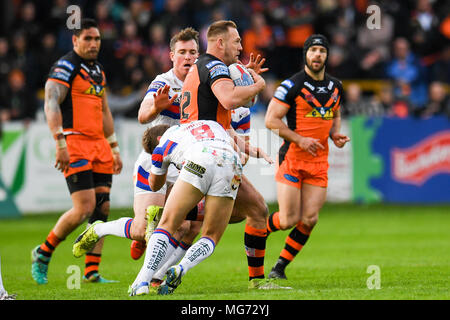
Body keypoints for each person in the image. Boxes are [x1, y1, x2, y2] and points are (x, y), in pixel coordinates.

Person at [179, 20, 283, 289]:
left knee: (240, 213)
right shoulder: (214, 67)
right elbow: (230, 100)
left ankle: (153, 278)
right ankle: (257, 281)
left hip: (192, 148)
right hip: (210, 153)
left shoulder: (206, 69)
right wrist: (257, 85)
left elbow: (229, 108)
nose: (241, 46)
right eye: (237, 41)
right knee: (250, 213)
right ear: (220, 43)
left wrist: (242, 78)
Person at [31, 18, 123, 285]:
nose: (93, 43)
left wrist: (114, 147)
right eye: (87, 39)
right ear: (75, 40)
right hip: (74, 141)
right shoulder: (65, 66)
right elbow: (51, 102)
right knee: (84, 208)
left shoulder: (98, 71)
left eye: (97, 39)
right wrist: (60, 143)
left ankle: (91, 271)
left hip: (99, 145)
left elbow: (104, 110)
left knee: (102, 208)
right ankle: (43, 253)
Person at [264, 34, 350, 279]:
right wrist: (300, 139)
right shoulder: (292, 85)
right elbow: (271, 120)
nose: (317, 55)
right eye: (313, 50)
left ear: (327, 56)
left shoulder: (336, 86)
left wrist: (335, 134)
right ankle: (259, 227)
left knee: (310, 218)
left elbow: (335, 112)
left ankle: (279, 267)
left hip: (319, 161)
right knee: (288, 219)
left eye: (322, 51)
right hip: (293, 157)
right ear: (306, 54)